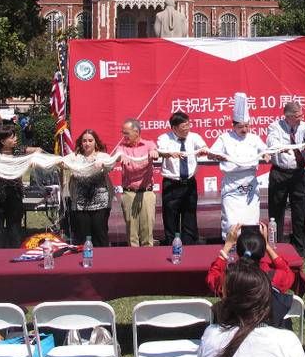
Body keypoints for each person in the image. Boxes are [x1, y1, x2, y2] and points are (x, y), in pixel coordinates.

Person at [210, 93, 269, 240]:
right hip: (232, 183)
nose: (244, 129)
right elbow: (212, 153)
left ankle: (252, 249)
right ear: (234, 125)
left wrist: (266, 155)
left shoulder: (254, 138)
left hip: (250, 183)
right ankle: (230, 248)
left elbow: (265, 151)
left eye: (247, 126)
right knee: (232, 220)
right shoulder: (224, 138)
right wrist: (216, 155)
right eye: (241, 126)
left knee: (251, 219)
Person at [266, 101, 305, 256]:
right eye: (297, 116)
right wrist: (279, 147)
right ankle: (276, 247)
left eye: (301, 115)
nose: (300, 118)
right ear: (287, 117)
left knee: (300, 210)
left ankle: (300, 248)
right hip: (279, 173)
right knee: (276, 211)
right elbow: (271, 141)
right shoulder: (275, 126)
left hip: (298, 173)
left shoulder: (304, 126)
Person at [157, 111, 209, 245]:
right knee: (170, 217)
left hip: (189, 183)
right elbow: (160, 151)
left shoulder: (194, 137)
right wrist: (169, 154)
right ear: (174, 128)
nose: (187, 128)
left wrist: (204, 149)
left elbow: (203, 146)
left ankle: (190, 246)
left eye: (188, 125)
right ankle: (171, 246)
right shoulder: (164, 138)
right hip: (172, 184)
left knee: (189, 216)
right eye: (183, 126)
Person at [206, 222, 296, 296]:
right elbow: (288, 272)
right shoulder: (273, 276)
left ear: (238, 251)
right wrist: (267, 245)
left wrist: (227, 245)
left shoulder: (230, 278)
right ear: (262, 251)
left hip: (237, 318)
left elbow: (212, 277)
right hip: (265, 317)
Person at [115, 119, 158, 247]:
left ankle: (149, 262)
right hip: (129, 194)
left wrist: (154, 152)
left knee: (147, 232)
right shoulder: (122, 147)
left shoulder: (149, 144)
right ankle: (133, 263)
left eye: (126, 133)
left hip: (146, 193)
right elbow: (118, 155)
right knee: (132, 234)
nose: (124, 136)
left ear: (136, 132)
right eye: (123, 133)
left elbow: (154, 151)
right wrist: (121, 156)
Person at [68, 129, 114, 246]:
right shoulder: (74, 157)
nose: (87, 143)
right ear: (80, 143)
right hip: (80, 205)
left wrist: (103, 163)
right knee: (83, 238)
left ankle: (102, 262)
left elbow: (111, 165)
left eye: (90, 140)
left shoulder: (103, 156)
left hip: (101, 205)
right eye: (84, 141)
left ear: (95, 142)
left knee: (100, 236)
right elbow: (62, 163)